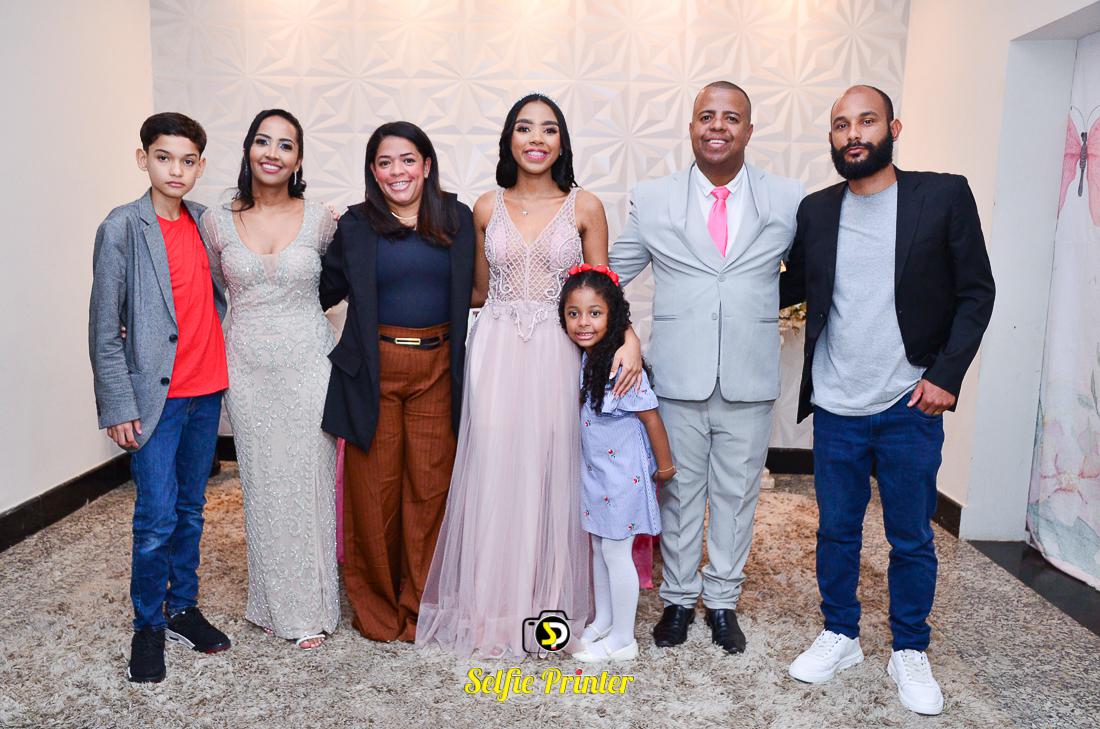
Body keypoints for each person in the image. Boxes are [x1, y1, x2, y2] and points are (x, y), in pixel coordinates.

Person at [780, 86, 995, 716]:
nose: (853, 134)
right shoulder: (817, 210)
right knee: (836, 530)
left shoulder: (943, 195)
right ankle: (841, 633)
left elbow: (977, 293)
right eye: (840, 125)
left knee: (911, 537)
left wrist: (946, 376)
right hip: (836, 403)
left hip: (910, 403)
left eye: (866, 121)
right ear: (831, 138)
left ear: (893, 128)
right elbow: (791, 285)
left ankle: (910, 648)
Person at [416, 93, 642, 659]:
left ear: (562, 142)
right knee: (495, 470)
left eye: (548, 129)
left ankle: (549, 612)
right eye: (524, 128)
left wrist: (630, 338)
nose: (536, 138)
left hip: (558, 353)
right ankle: (493, 609)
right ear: (509, 140)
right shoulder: (484, 207)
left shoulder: (585, 205)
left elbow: (603, 293)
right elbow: (476, 290)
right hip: (495, 349)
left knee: (554, 471)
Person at [609, 81, 804, 654]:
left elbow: (813, 270)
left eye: (731, 117)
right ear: (691, 127)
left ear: (749, 129)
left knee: (738, 496)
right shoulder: (653, 197)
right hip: (676, 375)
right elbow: (610, 275)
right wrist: (623, 332)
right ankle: (677, 599)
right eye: (706, 116)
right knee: (679, 493)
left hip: (750, 374)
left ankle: (722, 602)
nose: (718, 126)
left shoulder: (788, 198)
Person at [319, 121, 475, 643]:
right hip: (373, 368)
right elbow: (319, 289)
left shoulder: (456, 218)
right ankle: (378, 608)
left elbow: (484, 287)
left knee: (429, 492)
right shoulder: (354, 225)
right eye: (385, 163)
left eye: (407, 160)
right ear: (373, 171)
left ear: (426, 165)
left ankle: (422, 608)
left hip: (438, 367)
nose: (397, 171)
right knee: (374, 494)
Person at [89, 112, 231, 683]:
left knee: (192, 508)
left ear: (200, 165)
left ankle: (181, 609)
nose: (176, 170)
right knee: (154, 517)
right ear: (142, 158)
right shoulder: (122, 227)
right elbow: (104, 327)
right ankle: (147, 626)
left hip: (207, 389)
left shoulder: (205, 221)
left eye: (187, 160)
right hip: (155, 399)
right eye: (164, 157)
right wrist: (118, 404)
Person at [199, 109, 339, 650]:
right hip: (247, 368)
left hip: (309, 363)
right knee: (261, 484)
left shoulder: (322, 220)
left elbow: (340, 283)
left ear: (298, 159)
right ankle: (270, 603)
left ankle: (313, 606)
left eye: (285, 145)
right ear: (248, 150)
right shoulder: (215, 222)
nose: (273, 153)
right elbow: (214, 289)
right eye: (263, 141)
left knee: (310, 481)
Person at [558, 264, 675, 663]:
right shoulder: (587, 360)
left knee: (616, 552)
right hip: (597, 475)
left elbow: (651, 418)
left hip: (623, 477)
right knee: (598, 546)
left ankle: (624, 638)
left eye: (595, 313)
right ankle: (605, 620)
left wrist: (665, 467)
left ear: (613, 317)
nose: (583, 322)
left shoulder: (623, 367)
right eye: (574, 313)